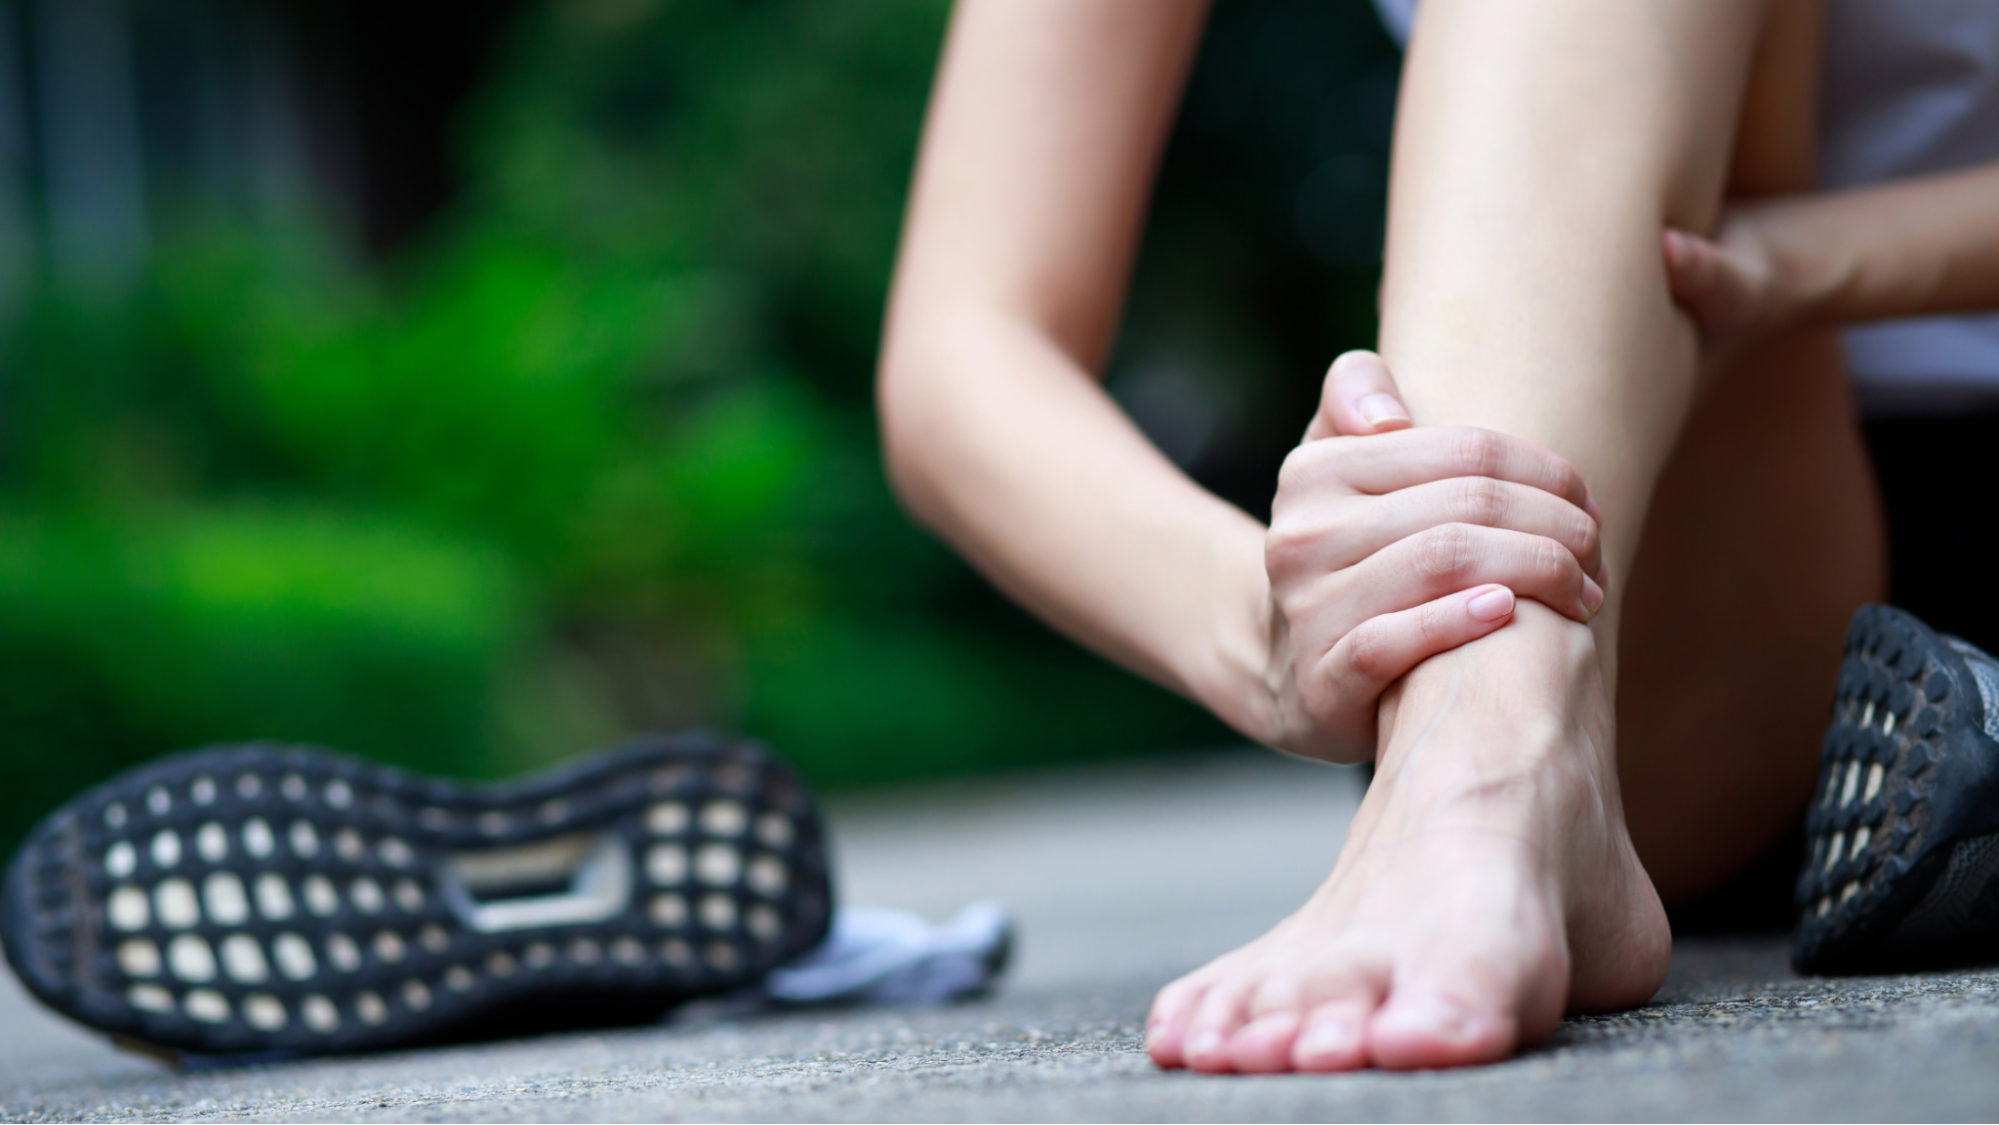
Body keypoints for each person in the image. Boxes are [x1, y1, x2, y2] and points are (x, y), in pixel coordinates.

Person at [878, 0, 1999, 1073]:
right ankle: (1490, 744)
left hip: (1842, 377)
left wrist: (1804, 263)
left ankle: (1483, 767)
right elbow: (964, 347)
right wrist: (1269, 625)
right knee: (1497, 680)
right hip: (1677, 588)